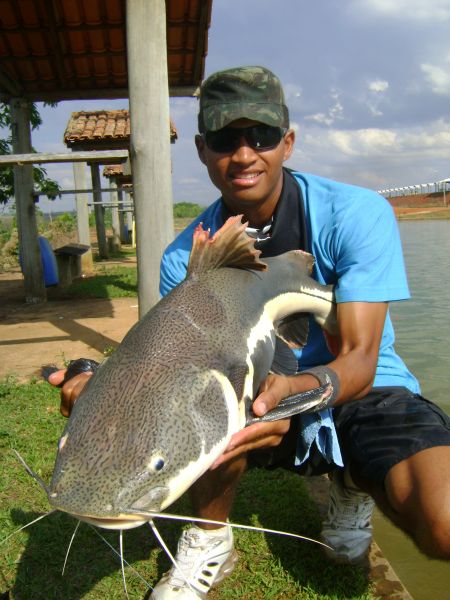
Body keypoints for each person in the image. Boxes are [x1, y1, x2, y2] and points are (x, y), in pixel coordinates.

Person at [50, 66, 450, 600]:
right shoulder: (183, 258)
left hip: (362, 386)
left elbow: (361, 359)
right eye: (224, 139)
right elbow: (166, 364)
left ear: (287, 142)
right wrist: (93, 378)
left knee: (443, 520)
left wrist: (295, 392)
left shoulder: (356, 213)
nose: (243, 155)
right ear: (201, 149)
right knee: (210, 418)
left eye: (261, 136)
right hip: (259, 391)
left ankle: (352, 479)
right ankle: (210, 538)